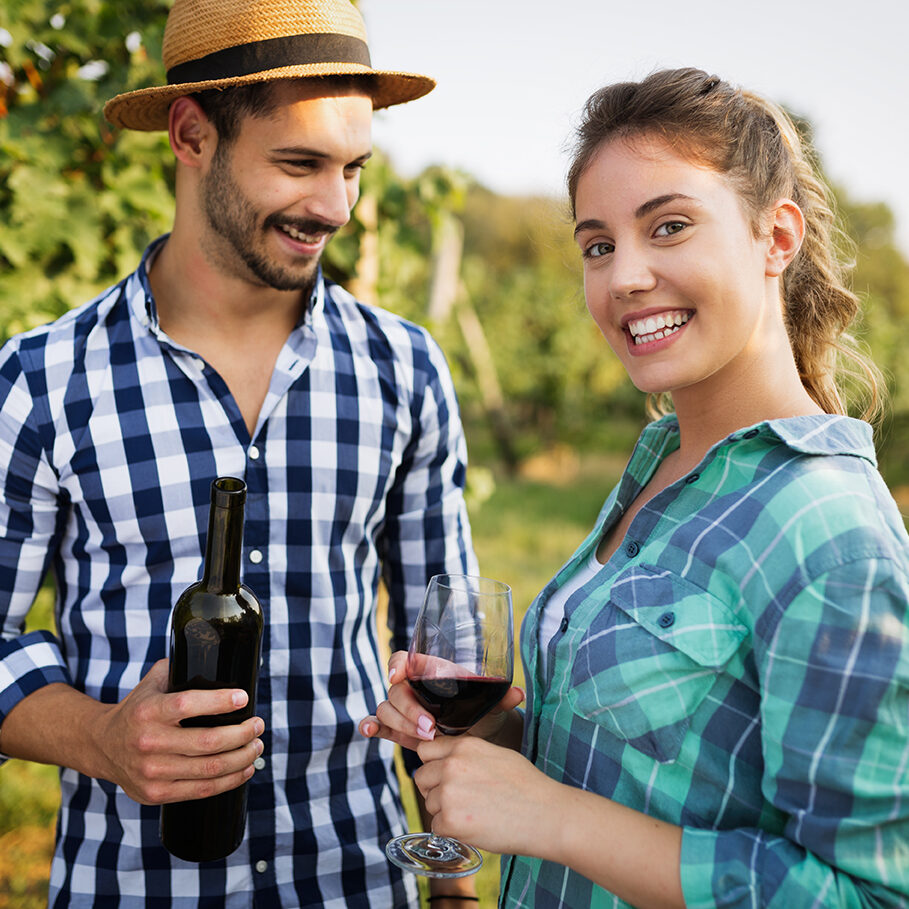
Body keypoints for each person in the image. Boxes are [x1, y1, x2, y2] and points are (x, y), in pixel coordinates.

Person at [361, 67, 909, 907]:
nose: (623, 277)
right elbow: (623, 764)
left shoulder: (826, 529)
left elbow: (867, 894)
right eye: (598, 245)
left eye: (670, 226)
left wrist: (552, 817)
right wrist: (493, 737)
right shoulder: (664, 462)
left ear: (777, 237)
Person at [0, 0, 481, 906]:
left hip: (360, 880)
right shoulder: (42, 380)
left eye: (353, 169)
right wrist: (103, 735)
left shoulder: (405, 369)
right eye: (298, 163)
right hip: (134, 887)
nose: (334, 206)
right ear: (191, 135)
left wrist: (449, 879)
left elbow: (441, 655)